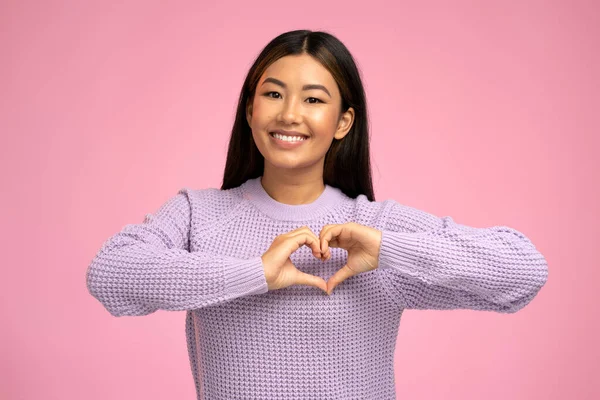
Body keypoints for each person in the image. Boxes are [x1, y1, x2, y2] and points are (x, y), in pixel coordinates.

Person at [86, 29, 549, 399]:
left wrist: (386, 249)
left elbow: (523, 271)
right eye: (273, 95)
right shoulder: (197, 214)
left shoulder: (375, 228)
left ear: (343, 122)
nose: (289, 114)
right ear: (250, 110)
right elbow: (109, 274)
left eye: (313, 99)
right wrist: (255, 273)